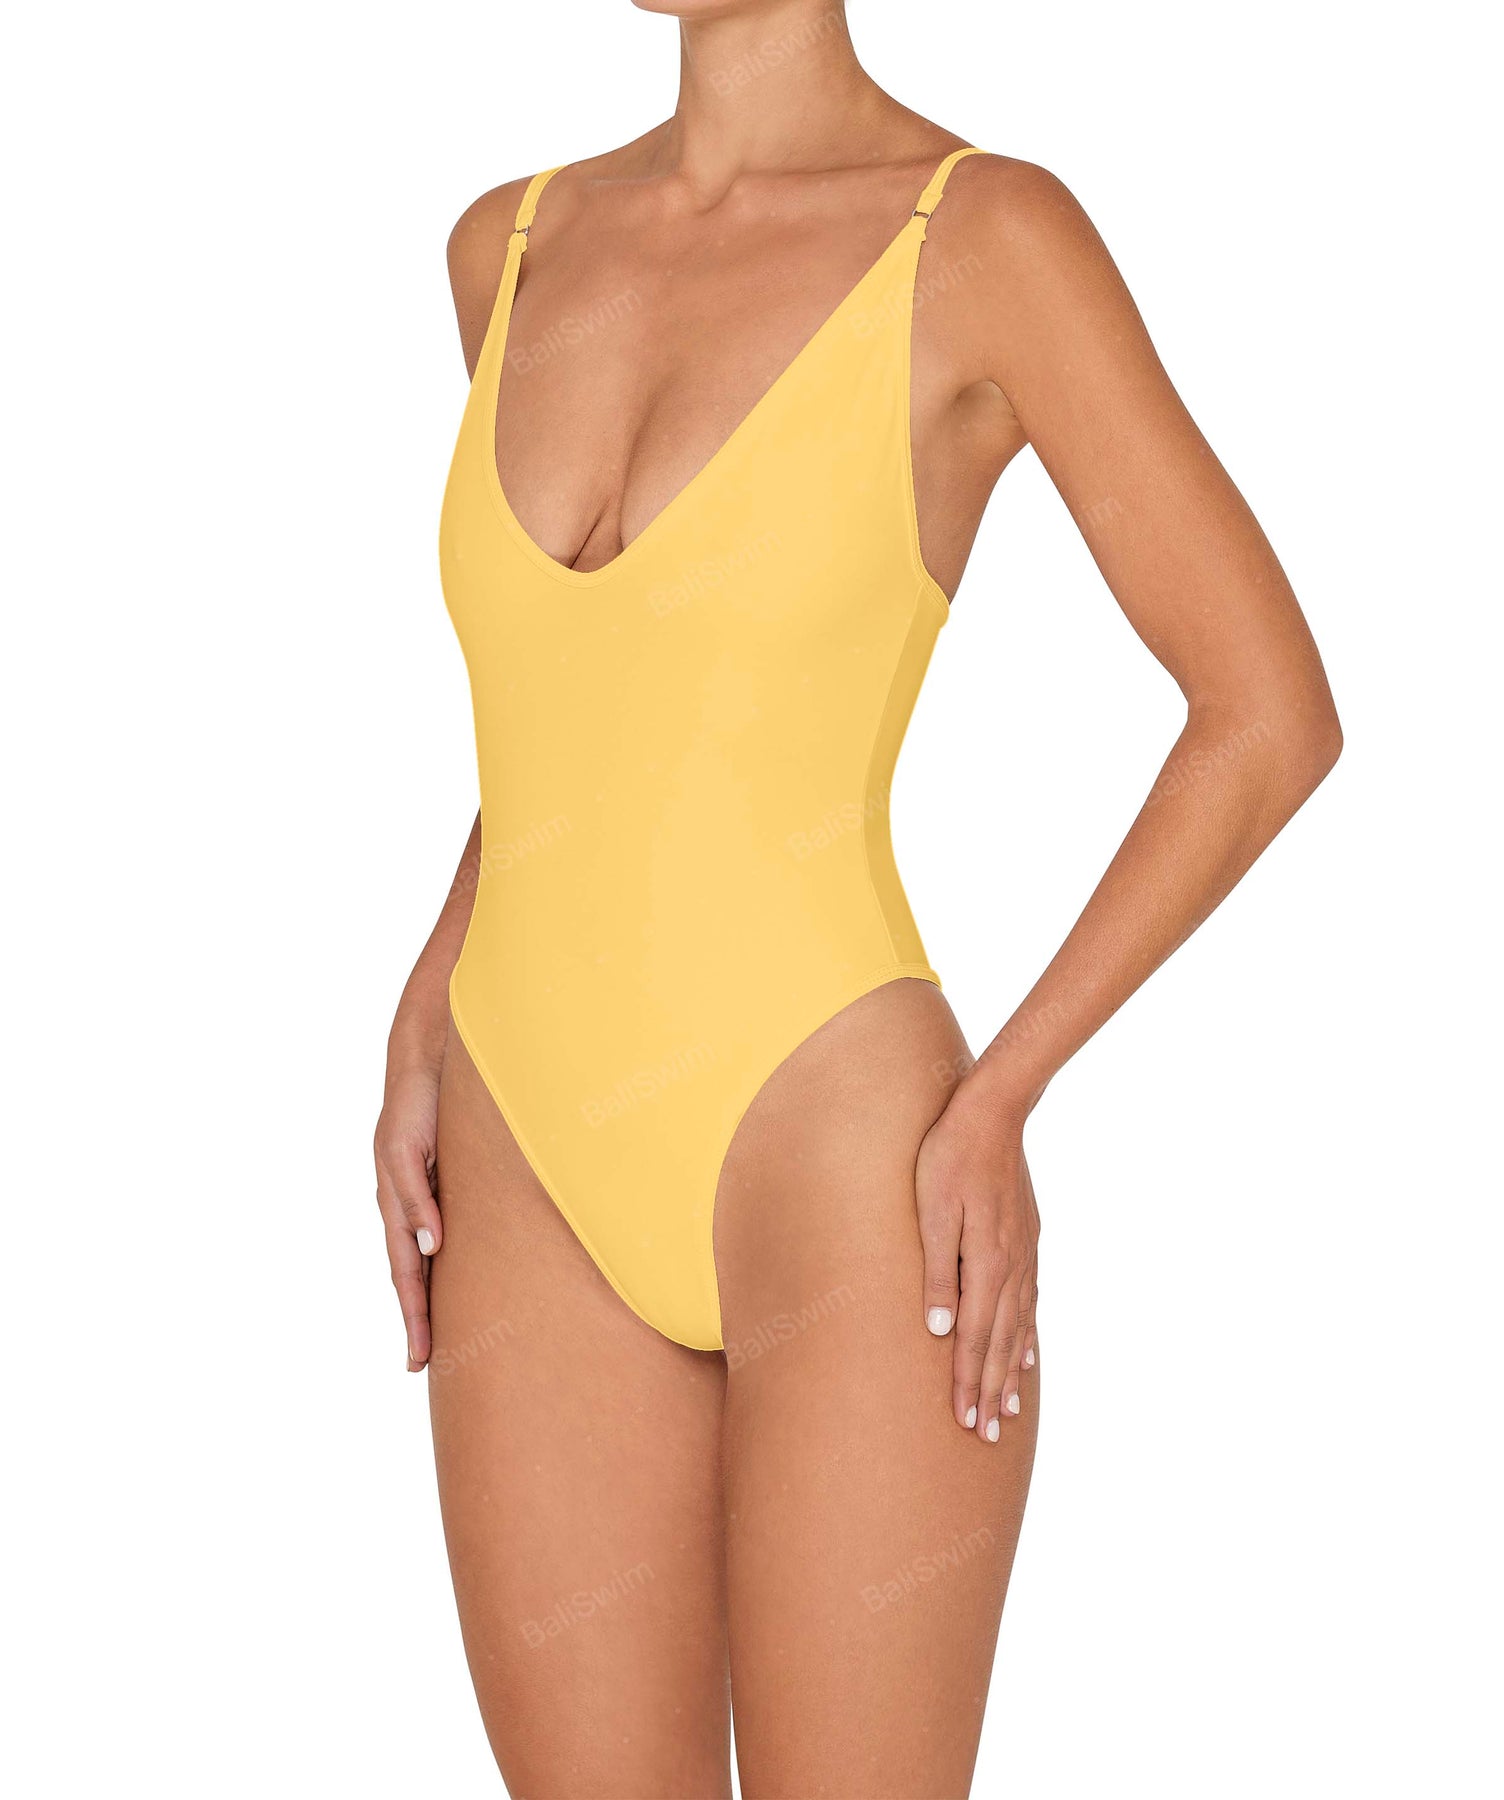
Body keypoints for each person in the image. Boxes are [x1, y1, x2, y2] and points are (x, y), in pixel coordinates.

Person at [373, 3, 1341, 1792]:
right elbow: (595, 705)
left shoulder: (980, 239)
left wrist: (1003, 1098)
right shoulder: (506, 246)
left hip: (837, 1156)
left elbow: (1268, 713)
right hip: (521, 1133)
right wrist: (436, 977)